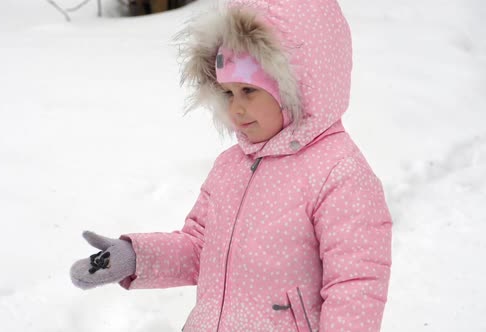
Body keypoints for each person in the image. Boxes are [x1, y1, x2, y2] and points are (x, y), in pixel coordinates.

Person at [70, 0, 392, 331]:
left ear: (297, 84)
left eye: (249, 91)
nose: (236, 109)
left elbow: (356, 287)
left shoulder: (339, 174)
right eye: (227, 93)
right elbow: (199, 248)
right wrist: (135, 257)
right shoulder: (231, 167)